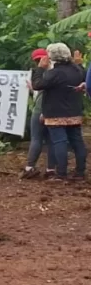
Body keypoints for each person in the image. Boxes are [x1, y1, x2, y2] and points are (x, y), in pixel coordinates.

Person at [32, 43, 87, 181]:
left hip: (55, 113)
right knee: (77, 142)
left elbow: (37, 85)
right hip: (74, 111)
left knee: (59, 142)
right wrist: (79, 64)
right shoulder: (77, 70)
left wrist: (39, 69)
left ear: (51, 57)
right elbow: (86, 77)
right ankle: (80, 172)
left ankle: (61, 173)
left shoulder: (54, 73)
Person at [22, 48, 56, 179]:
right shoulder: (55, 72)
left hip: (41, 110)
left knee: (36, 138)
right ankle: (50, 169)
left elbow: (43, 94)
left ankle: (30, 167)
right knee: (51, 140)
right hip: (53, 111)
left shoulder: (42, 72)